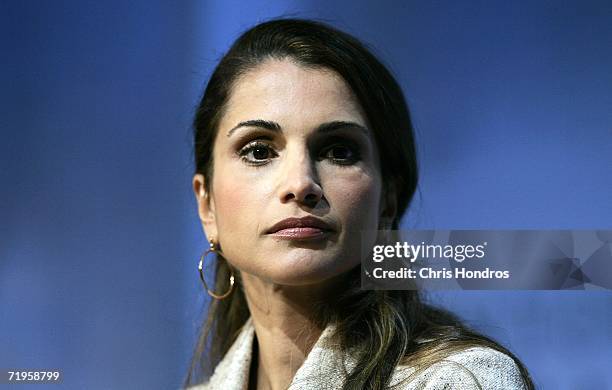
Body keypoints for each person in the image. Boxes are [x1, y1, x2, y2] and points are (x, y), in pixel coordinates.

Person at [184, 18, 534, 390]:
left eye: (338, 151)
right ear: (207, 206)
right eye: (259, 151)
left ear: (389, 199)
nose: (301, 183)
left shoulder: (459, 380)